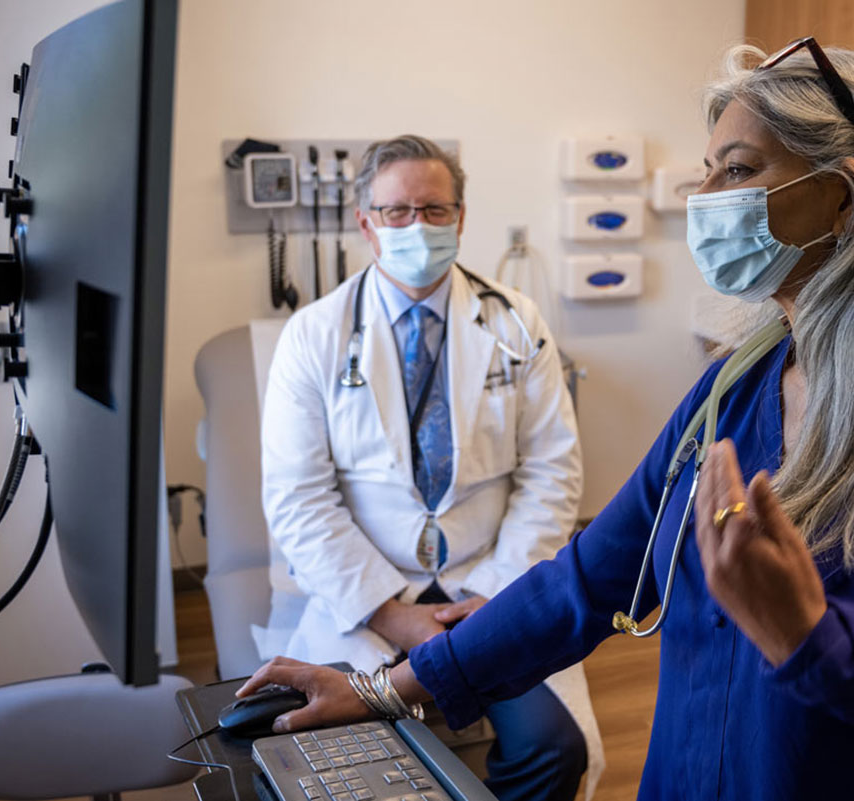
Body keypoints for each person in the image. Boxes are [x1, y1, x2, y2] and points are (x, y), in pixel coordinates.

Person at [241, 42, 854, 800]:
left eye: (736, 170)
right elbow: (592, 576)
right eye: (708, 168)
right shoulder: (740, 385)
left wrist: (822, 646)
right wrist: (392, 686)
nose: (702, 196)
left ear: (842, 197)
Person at [258, 134, 602, 801]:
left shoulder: (515, 320)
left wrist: (497, 598)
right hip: (371, 596)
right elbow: (300, 497)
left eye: (435, 210)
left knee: (553, 749)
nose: (418, 226)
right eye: (397, 212)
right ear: (366, 223)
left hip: (489, 585)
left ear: (462, 217)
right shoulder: (315, 334)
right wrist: (390, 613)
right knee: (335, 756)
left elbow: (552, 471)